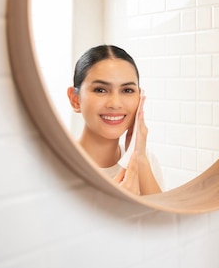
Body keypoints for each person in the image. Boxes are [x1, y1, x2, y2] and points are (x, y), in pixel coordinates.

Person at [67, 44, 163, 195]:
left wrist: (140, 159)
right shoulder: (57, 165)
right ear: (75, 99)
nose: (115, 104)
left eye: (127, 90)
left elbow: (163, 218)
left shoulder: (146, 160)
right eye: (100, 90)